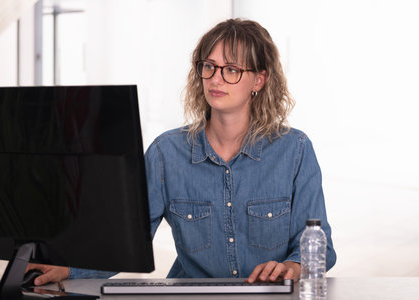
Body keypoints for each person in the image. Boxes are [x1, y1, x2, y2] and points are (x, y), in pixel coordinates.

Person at [28, 18, 336, 285]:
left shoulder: (294, 150)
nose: (216, 78)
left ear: (259, 79)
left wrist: (294, 266)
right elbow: (126, 244)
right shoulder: (166, 153)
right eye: (209, 66)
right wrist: (70, 268)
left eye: (231, 69)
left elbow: (322, 248)